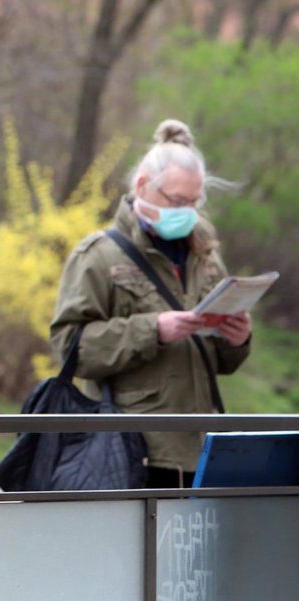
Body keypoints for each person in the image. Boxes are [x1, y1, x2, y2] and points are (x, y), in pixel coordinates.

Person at [50, 119, 252, 489]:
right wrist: (152, 329)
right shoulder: (98, 256)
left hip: (202, 446)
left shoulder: (205, 255)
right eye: (177, 201)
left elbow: (221, 362)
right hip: (133, 449)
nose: (187, 211)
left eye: (194, 202)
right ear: (143, 186)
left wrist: (236, 339)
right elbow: (69, 349)